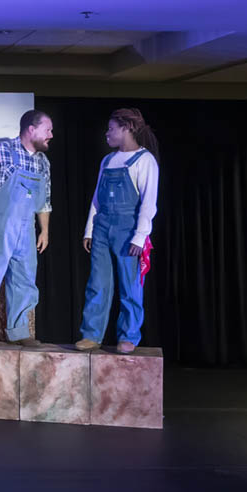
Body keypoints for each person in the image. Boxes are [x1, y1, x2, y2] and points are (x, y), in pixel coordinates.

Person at [0, 110, 53, 348]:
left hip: (26, 227)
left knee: (24, 279)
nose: (51, 135)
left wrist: (44, 230)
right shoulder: (2, 150)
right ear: (31, 129)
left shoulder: (43, 162)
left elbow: (44, 200)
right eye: (48, 130)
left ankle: (19, 331)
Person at [76, 108, 160, 354]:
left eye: (111, 128)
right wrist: (89, 229)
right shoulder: (108, 160)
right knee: (97, 282)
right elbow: (96, 199)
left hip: (128, 228)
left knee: (129, 284)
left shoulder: (144, 161)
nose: (107, 133)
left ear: (126, 128)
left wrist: (140, 235)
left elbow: (148, 202)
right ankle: (91, 334)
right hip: (102, 226)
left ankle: (128, 336)